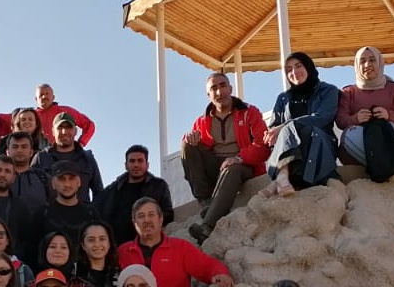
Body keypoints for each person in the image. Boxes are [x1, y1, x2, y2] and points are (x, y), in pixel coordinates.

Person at [117, 198, 233, 287]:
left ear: (160, 219)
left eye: (151, 215)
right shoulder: (123, 252)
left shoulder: (180, 248)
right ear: (134, 222)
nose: (146, 220)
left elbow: (207, 265)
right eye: (141, 216)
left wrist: (220, 273)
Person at [181, 73, 270, 243]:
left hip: (244, 166)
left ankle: (207, 226)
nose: (219, 91)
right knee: (187, 145)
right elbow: (194, 151)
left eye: (222, 85)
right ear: (208, 95)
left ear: (230, 88)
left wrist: (239, 158)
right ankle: (206, 202)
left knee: (232, 167)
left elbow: (263, 146)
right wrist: (190, 139)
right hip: (216, 169)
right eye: (213, 88)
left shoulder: (249, 112)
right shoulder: (201, 121)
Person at [336, 46, 394, 182]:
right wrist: (356, 118)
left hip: (387, 137)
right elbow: (340, 120)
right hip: (359, 144)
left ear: (380, 62)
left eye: (372, 60)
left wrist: (388, 115)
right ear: (356, 65)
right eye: (362, 61)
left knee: (389, 127)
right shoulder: (348, 92)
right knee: (349, 134)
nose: (367, 65)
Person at [258, 52, 340, 200]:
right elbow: (275, 127)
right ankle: (283, 176)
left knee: (301, 128)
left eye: (298, 66)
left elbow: (322, 118)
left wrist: (287, 125)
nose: (294, 72)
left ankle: (281, 177)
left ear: (308, 66)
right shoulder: (283, 98)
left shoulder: (328, 91)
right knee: (286, 129)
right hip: (291, 148)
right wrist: (271, 134)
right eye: (289, 69)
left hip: (320, 144)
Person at [25, 162, 100, 269]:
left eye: (71, 179)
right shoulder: (42, 213)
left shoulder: (91, 213)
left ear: (79, 182)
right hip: (49, 277)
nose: (67, 184)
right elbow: (31, 250)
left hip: (83, 278)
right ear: (53, 184)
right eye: (62, 179)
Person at [97, 145, 174, 244]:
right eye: (132, 161)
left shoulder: (158, 186)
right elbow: (98, 213)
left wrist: (147, 221)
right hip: (115, 247)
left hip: (146, 244)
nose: (136, 165)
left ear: (147, 164)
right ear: (126, 165)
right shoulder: (112, 190)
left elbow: (168, 214)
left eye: (140, 161)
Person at [31, 113, 104, 203]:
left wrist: (93, 213)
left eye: (68, 127)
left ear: (76, 131)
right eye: (60, 128)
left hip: (82, 216)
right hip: (50, 216)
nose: (64, 132)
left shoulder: (87, 158)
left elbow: (99, 193)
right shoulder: (41, 158)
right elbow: (30, 189)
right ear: (53, 131)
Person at [74, 220, 120, 287]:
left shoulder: (119, 275)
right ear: (83, 245)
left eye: (102, 239)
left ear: (109, 243)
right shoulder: (74, 275)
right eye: (91, 240)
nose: (97, 244)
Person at [5, 131, 52, 207]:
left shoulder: (43, 178)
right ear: (8, 152)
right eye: (15, 147)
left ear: (31, 152)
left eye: (24, 147)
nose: (19, 150)